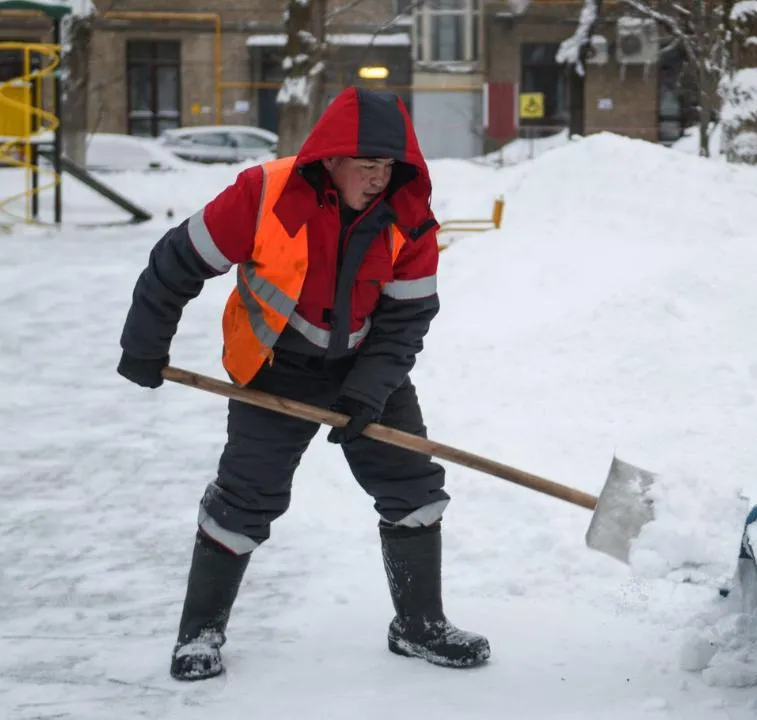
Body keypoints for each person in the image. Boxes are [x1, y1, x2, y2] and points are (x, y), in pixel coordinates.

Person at [115, 88, 489, 681]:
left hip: (364, 369)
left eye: (388, 166)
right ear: (331, 159)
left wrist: (368, 391)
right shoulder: (263, 195)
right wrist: (144, 342)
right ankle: (200, 635)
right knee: (244, 499)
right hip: (274, 367)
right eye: (366, 165)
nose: (377, 178)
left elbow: (407, 318)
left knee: (414, 489)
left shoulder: (408, 215)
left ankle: (418, 626)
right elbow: (176, 260)